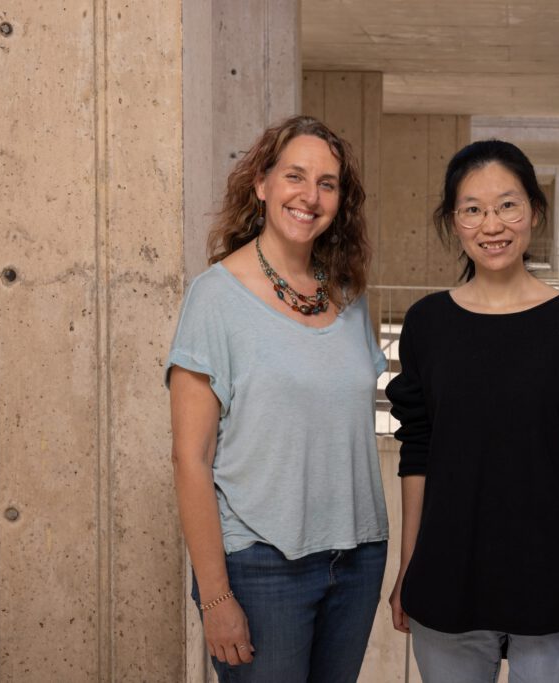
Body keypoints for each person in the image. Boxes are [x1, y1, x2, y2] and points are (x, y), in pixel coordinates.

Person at [385, 139, 559, 682]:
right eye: (472, 209)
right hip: (448, 579)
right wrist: (409, 568)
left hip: (553, 584)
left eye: (507, 205)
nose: (490, 224)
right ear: (453, 222)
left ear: (534, 212)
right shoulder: (428, 324)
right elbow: (418, 454)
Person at [166, 115, 388, 681]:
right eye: (295, 176)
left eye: (327, 183)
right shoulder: (215, 298)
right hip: (262, 565)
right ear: (261, 183)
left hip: (359, 557)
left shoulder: (352, 297)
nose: (309, 196)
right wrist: (215, 598)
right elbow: (190, 460)